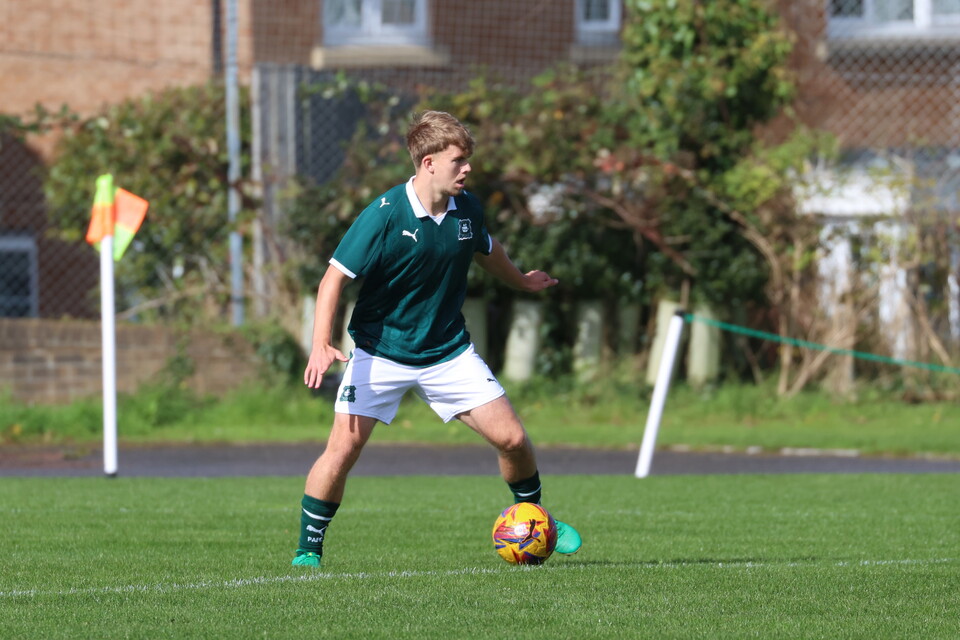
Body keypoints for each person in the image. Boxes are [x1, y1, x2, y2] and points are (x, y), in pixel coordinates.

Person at [292, 110, 582, 567]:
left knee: (513, 440)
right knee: (343, 449)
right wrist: (320, 342)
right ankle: (308, 551)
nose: (467, 168)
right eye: (458, 160)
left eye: (468, 160)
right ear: (428, 163)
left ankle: (537, 517)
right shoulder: (385, 215)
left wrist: (521, 281)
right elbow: (333, 279)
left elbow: (487, 250)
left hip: (448, 352)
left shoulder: (467, 207)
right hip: (381, 351)